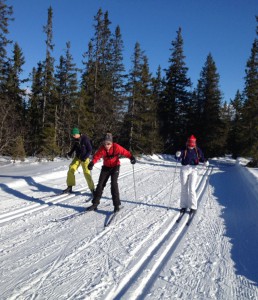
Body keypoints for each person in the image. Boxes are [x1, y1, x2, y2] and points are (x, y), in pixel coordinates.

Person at [86, 133, 136, 212]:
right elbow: (97, 156)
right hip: (106, 167)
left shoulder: (116, 147)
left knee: (113, 184)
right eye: (105, 143)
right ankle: (95, 204)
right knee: (100, 185)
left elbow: (125, 152)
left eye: (108, 143)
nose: (107, 145)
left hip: (115, 166)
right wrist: (92, 163)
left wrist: (131, 157)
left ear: (112, 143)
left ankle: (116, 205)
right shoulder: (102, 149)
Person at [175, 135, 208, 215]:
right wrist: (177, 155)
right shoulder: (184, 149)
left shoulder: (197, 150)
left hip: (194, 169)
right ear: (187, 143)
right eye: (189, 145)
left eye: (192, 145)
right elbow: (177, 158)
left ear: (194, 144)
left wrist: (205, 161)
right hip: (184, 169)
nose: (190, 147)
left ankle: (193, 207)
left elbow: (202, 157)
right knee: (184, 188)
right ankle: (183, 206)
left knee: (192, 189)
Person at [63, 128, 95, 195]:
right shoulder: (76, 139)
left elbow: (90, 150)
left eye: (74, 134)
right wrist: (70, 152)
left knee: (87, 173)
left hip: (85, 158)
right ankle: (70, 186)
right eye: (72, 135)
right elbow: (75, 146)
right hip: (77, 157)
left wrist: (85, 157)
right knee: (71, 169)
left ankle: (92, 189)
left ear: (78, 133)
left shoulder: (85, 139)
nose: (73, 136)